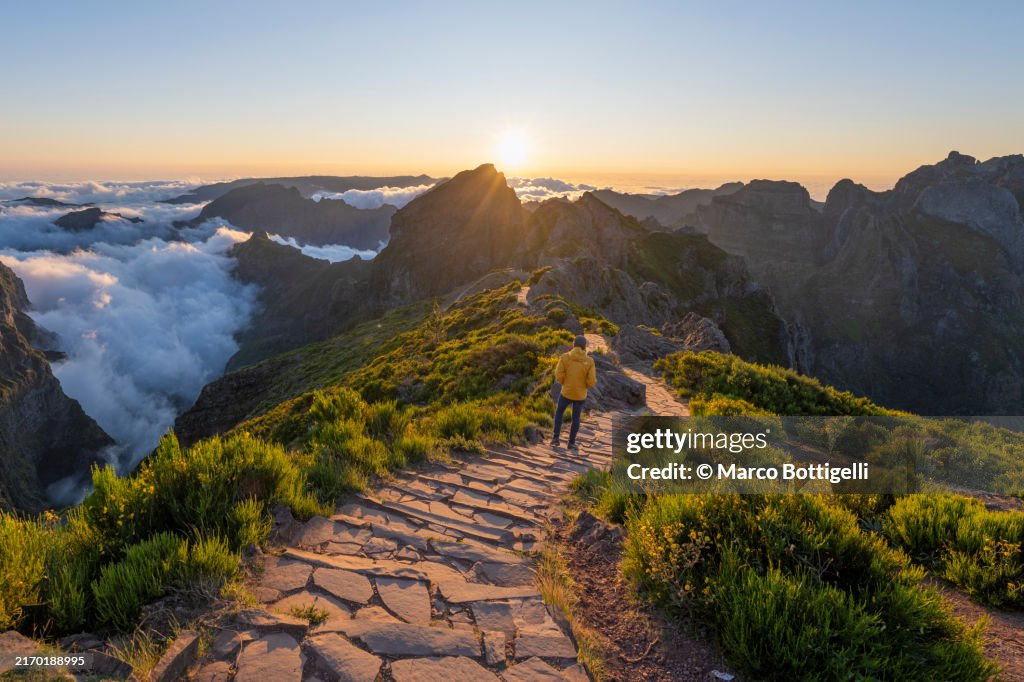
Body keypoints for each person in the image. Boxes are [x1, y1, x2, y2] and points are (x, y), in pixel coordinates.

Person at [551, 335, 597, 452]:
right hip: (580, 395)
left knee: (559, 412)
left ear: (574, 344)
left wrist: (565, 383)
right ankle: (571, 443)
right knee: (576, 418)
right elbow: (591, 380)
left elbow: (558, 373)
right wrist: (584, 386)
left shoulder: (565, 357)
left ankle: (555, 438)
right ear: (584, 346)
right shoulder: (590, 361)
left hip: (566, 391)